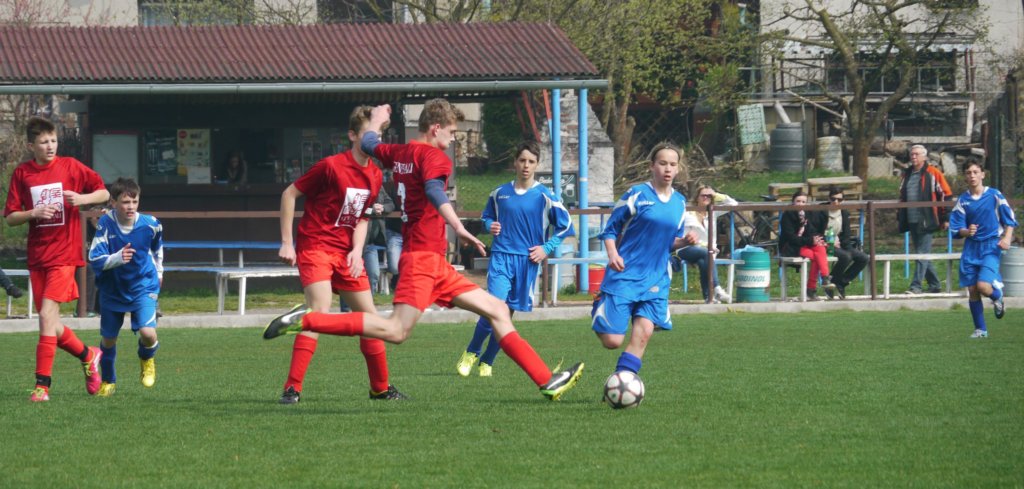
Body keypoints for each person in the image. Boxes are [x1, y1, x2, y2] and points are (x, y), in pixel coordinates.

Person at [264, 98, 584, 401]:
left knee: (498, 310)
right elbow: (433, 189)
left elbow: (370, 143)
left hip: (433, 262)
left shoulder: (400, 153)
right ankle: (307, 321)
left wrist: (377, 120)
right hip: (422, 260)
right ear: (436, 128)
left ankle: (546, 381)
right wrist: (457, 225)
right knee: (395, 330)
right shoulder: (434, 158)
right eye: (452, 132)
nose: (453, 138)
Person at [272, 105, 406, 404]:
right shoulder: (331, 166)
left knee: (370, 319)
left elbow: (361, 217)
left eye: (377, 135)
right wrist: (287, 242)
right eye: (368, 133)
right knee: (318, 313)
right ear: (352, 136)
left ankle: (380, 389)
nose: (374, 140)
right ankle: (292, 388)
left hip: (346, 253)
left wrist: (357, 251)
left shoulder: (374, 174)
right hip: (316, 246)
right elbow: (289, 194)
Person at [4, 116, 110, 402]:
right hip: (38, 255)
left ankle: (42, 386)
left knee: (45, 317)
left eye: (53, 140)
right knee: (50, 322)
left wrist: (83, 199)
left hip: (65, 255)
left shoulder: (71, 167)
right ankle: (89, 355)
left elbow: (103, 192)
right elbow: (11, 217)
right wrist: (33, 213)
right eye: (44, 142)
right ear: (31, 146)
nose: (50, 146)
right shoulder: (22, 174)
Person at [455, 140, 575, 378]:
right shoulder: (500, 193)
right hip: (501, 257)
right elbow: (486, 217)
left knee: (506, 315)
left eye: (531, 161)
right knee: (493, 307)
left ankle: (487, 361)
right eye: (522, 160)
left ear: (537, 164)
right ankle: (471, 352)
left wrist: (546, 248)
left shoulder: (545, 196)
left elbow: (566, 226)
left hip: (527, 262)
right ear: (515, 162)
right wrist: (489, 225)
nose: (526, 165)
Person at [591, 143, 686, 378]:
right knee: (612, 341)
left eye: (672, 164)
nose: (667, 169)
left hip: (656, 277)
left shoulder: (680, 203)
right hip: (626, 273)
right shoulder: (636, 194)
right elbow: (610, 229)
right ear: (652, 166)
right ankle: (599, 303)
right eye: (662, 163)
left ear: (678, 169)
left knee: (643, 333)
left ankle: (623, 381)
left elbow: (671, 242)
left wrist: (685, 241)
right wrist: (613, 254)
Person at [87, 178, 163, 396]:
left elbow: (157, 250)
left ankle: (147, 358)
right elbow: (95, 258)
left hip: (143, 285)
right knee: (109, 339)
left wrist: (159, 273)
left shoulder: (151, 224)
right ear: (113, 202)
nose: (130, 207)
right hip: (113, 288)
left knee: (148, 333)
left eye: (134, 202)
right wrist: (117, 258)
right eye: (125, 202)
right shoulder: (105, 223)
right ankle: (108, 381)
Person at [948, 161, 1017, 338]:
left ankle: (997, 296)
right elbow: (956, 228)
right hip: (971, 248)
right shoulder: (963, 201)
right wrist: (967, 231)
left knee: (983, 286)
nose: (972, 175)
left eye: (975, 172)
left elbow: (1009, 219)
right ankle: (981, 330)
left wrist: (1006, 238)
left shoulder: (994, 195)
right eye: (968, 172)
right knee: (972, 289)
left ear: (982, 174)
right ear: (965, 177)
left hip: (991, 246)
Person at [897, 144, 952, 294]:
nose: (913, 157)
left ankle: (916, 286)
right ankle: (935, 284)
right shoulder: (907, 174)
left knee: (921, 253)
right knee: (921, 253)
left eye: (917, 154)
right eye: (912, 154)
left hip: (927, 219)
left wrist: (945, 217)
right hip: (911, 219)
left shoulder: (933, 172)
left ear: (924, 157)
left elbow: (946, 194)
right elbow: (902, 196)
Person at [673, 184, 734, 303]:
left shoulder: (713, 212)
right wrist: (705, 246)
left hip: (706, 253)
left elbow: (733, 204)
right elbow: (681, 234)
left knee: (703, 261)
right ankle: (717, 288)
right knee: (707, 253)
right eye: (703, 195)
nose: (706, 197)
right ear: (697, 197)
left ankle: (708, 297)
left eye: (709, 196)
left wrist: (716, 194)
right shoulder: (687, 213)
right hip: (686, 248)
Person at [779, 190, 836, 300]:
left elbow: (812, 231)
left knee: (820, 247)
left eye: (803, 202)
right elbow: (791, 238)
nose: (800, 204)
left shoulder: (807, 214)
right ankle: (811, 288)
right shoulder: (787, 215)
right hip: (791, 247)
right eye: (798, 201)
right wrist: (810, 240)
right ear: (793, 202)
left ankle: (825, 278)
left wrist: (818, 239)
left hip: (804, 244)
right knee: (816, 257)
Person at [822, 186, 869, 299]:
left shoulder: (843, 212)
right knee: (846, 256)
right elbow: (815, 230)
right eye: (833, 199)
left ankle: (841, 282)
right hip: (823, 243)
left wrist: (846, 246)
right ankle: (831, 282)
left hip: (839, 243)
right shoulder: (821, 211)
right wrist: (829, 240)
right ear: (828, 198)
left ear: (843, 200)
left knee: (863, 258)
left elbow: (846, 233)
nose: (836, 202)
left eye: (839, 199)